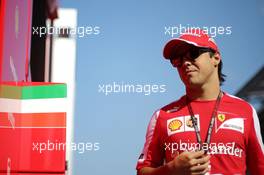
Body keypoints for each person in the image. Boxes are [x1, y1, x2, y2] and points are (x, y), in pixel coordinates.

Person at [136, 29, 264, 175]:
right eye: (178, 59)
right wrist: (171, 170)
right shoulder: (162, 116)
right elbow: (142, 172)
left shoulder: (245, 111)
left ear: (215, 58)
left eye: (193, 54)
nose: (185, 62)